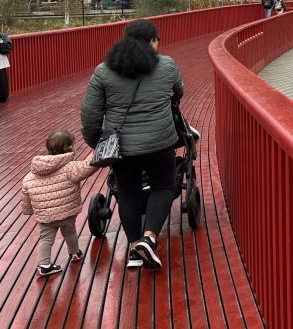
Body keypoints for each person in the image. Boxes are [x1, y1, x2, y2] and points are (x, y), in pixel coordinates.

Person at [80, 19, 184, 270]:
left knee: (127, 193)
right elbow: (178, 92)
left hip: (122, 145)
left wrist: (97, 142)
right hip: (160, 142)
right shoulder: (167, 65)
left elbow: (90, 112)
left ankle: (135, 247)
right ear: (152, 42)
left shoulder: (104, 71)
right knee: (163, 186)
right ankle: (148, 239)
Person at [21, 130, 97, 277]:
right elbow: (88, 166)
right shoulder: (70, 168)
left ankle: (44, 265)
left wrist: (28, 210)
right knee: (70, 233)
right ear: (69, 148)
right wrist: (97, 151)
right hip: (67, 212)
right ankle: (74, 253)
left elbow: (26, 194)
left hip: (45, 216)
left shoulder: (30, 176)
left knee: (46, 239)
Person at [0, 31, 10, 102]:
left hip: (1, 60)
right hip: (2, 60)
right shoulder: (1, 36)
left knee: (2, 78)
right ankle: (4, 95)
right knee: (3, 78)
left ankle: (3, 96)